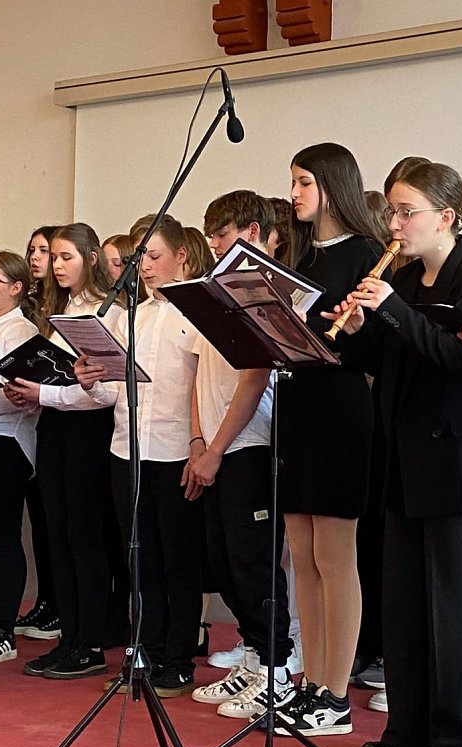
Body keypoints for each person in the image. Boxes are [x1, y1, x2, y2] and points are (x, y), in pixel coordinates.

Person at [324, 160, 462, 747]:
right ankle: (405, 729)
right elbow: (385, 358)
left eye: (407, 212)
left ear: (446, 216)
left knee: (454, 605)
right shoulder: (402, 278)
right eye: (392, 211)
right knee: (402, 600)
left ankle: (458, 744)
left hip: (460, 459)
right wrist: (356, 329)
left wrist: (392, 312)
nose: (395, 224)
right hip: (403, 457)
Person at [272, 142, 388, 737]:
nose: (294, 194)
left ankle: (336, 693)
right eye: (293, 182)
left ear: (333, 186)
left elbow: (378, 350)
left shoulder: (368, 253)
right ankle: (311, 682)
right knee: (303, 555)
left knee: (335, 557)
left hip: (341, 410)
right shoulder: (298, 256)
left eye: (304, 182)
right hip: (297, 406)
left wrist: (356, 331)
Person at [76, 214, 205, 697]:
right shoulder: (133, 315)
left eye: (153, 256)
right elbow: (117, 391)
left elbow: (203, 388)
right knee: (140, 558)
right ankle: (145, 651)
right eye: (139, 258)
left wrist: (199, 446)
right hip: (127, 449)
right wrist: (92, 382)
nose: (145, 266)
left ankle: (179, 659)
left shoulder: (195, 312)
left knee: (178, 561)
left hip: (175, 450)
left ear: (181, 255)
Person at [190, 190, 297, 718]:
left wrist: (216, 449)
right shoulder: (211, 290)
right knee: (222, 561)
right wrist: (197, 444)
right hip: (213, 445)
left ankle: (277, 669)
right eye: (210, 234)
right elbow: (197, 375)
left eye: (223, 233)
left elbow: (255, 379)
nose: (213, 243)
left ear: (253, 233)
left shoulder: (264, 290)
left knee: (253, 562)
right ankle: (254, 660)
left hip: (249, 444)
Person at [6, 223, 125, 679]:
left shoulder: (110, 312)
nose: (56, 266)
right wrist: (30, 393)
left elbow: (105, 391)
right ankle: (69, 638)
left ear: (91, 258)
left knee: (83, 536)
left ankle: (89, 642)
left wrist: (45, 393)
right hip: (55, 428)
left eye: (65, 257)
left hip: (88, 434)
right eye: (53, 257)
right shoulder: (63, 310)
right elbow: (59, 378)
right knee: (57, 535)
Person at [13, 226, 62, 642]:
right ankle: (47, 600)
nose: (37, 258)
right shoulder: (30, 306)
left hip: (55, 417)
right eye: (33, 250)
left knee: (54, 524)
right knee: (41, 522)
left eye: (45, 251)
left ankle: (57, 603)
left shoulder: (58, 307)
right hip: (31, 420)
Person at [0, 252, 40, 662]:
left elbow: (20, 398)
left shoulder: (20, 331)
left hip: (7, 441)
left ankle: (1, 627)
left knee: (1, 534)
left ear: (16, 287)